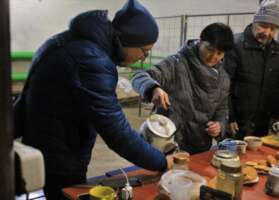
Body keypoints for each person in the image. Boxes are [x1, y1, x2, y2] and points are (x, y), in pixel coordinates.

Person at [17, 0, 172, 199]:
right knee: (66, 194)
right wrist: (161, 161)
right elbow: (117, 132)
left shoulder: (66, 41)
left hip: (43, 142)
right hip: (60, 154)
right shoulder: (92, 60)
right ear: (127, 40)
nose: (143, 58)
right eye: (144, 51)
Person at [132, 23, 234, 154]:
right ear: (200, 41)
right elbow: (139, 76)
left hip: (199, 146)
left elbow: (222, 109)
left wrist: (219, 125)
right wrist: (153, 88)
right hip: (167, 144)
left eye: (219, 53)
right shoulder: (176, 64)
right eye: (209, 49)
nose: (213, 57)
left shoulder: (223, 78)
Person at [223, 0, 279, 139]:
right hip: (237, 123)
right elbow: (224, 85)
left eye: (273, 29)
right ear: (254, 22)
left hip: (263, 123)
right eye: (263, 26)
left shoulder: (277, 51)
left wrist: (275, 118)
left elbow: (277, 87)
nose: (267, 32)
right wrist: (229, 117)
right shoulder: (235, 45)